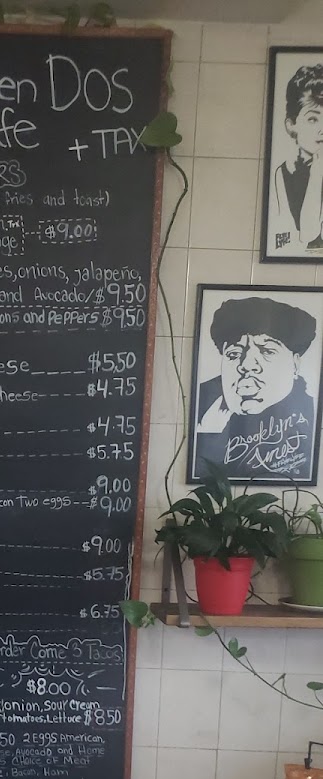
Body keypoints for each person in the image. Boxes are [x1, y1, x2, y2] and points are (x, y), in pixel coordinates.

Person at [193, 295, 318, 482]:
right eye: (234, 354)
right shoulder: (203, 407)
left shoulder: (309, 415)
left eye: (267, 351)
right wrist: (208, 432)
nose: (247, 365)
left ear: (295, 364)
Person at [272, 63, 323, 254]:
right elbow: (303, 237)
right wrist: (317, 171)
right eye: (313, 119)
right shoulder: (283, 173)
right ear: (291, 125)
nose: (322, 129)